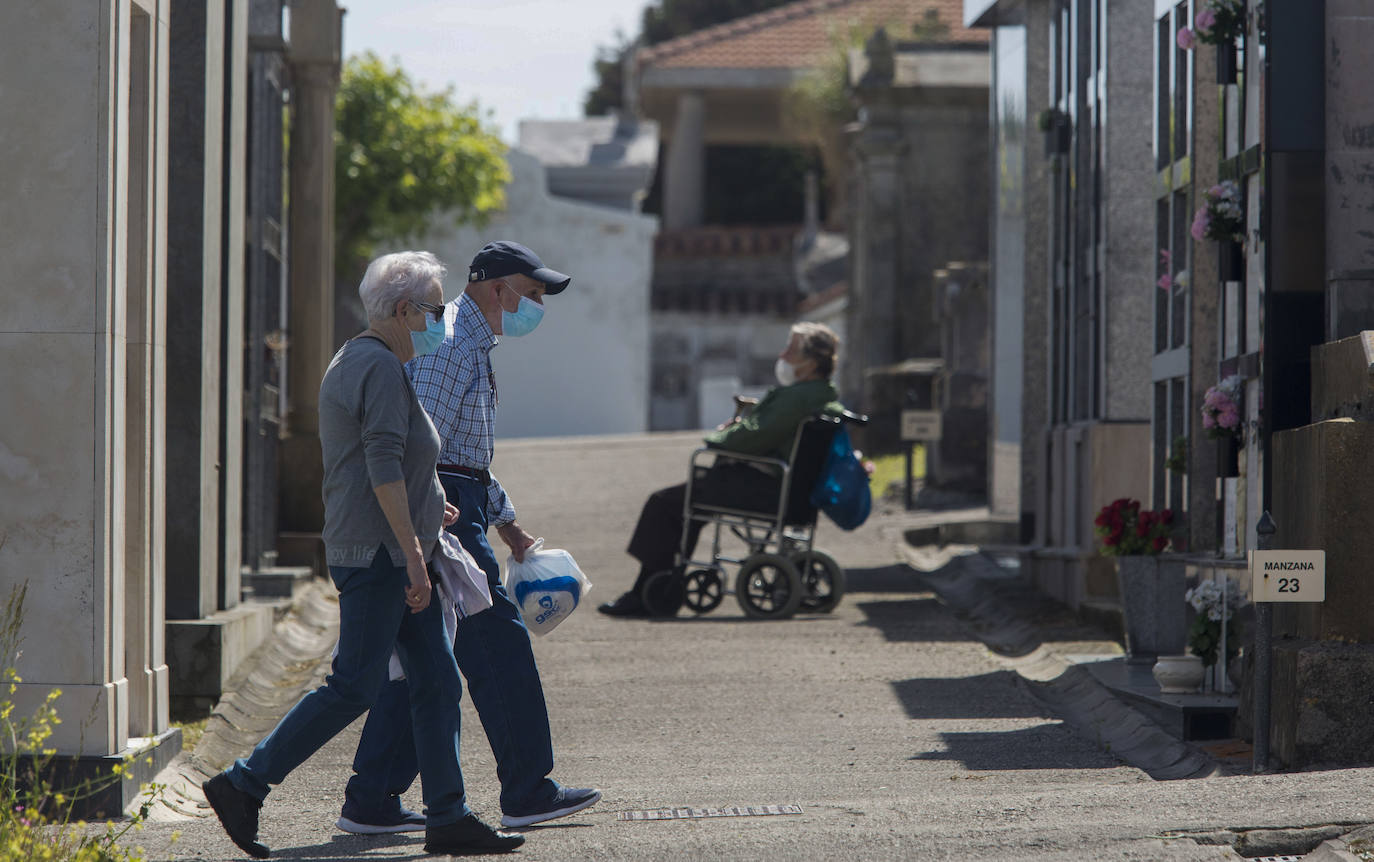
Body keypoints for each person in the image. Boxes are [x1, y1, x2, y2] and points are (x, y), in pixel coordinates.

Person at [202, 251, 523, 858]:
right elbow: (379, 467)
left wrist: (432, 511)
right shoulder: (376, 365)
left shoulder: (371, 359)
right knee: (354, 685)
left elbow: (393, 466)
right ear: (403, 311)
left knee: (435, 680)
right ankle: (244, 783)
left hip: (391, 548)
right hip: (381, 556)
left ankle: (448, 815)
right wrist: (412, 553)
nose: (440, 321)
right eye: (432, 310)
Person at [336, 241, 601, 836]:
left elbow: (465, 455)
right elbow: (420, 443)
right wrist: (437, 518)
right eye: (530, 294)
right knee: (496, 648)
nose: (534, 306)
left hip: (459, 501)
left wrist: (508, 524)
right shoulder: (453, 341)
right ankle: (528, 789)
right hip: (447, 509)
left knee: (433, 660)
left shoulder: (470, 342)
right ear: (496, 287)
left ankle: (372, 797)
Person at [598, 322, 845, 618]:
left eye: (791, 349)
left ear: (810, 362)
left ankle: (646, 591)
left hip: (763, 488)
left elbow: (754, 437)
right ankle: (656, 585)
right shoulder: (823, 397)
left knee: (664, 504)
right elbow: (773, 430)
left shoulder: (796, 398)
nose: (783, 354)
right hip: (787, 490)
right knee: (683, 505)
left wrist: (718, 438)